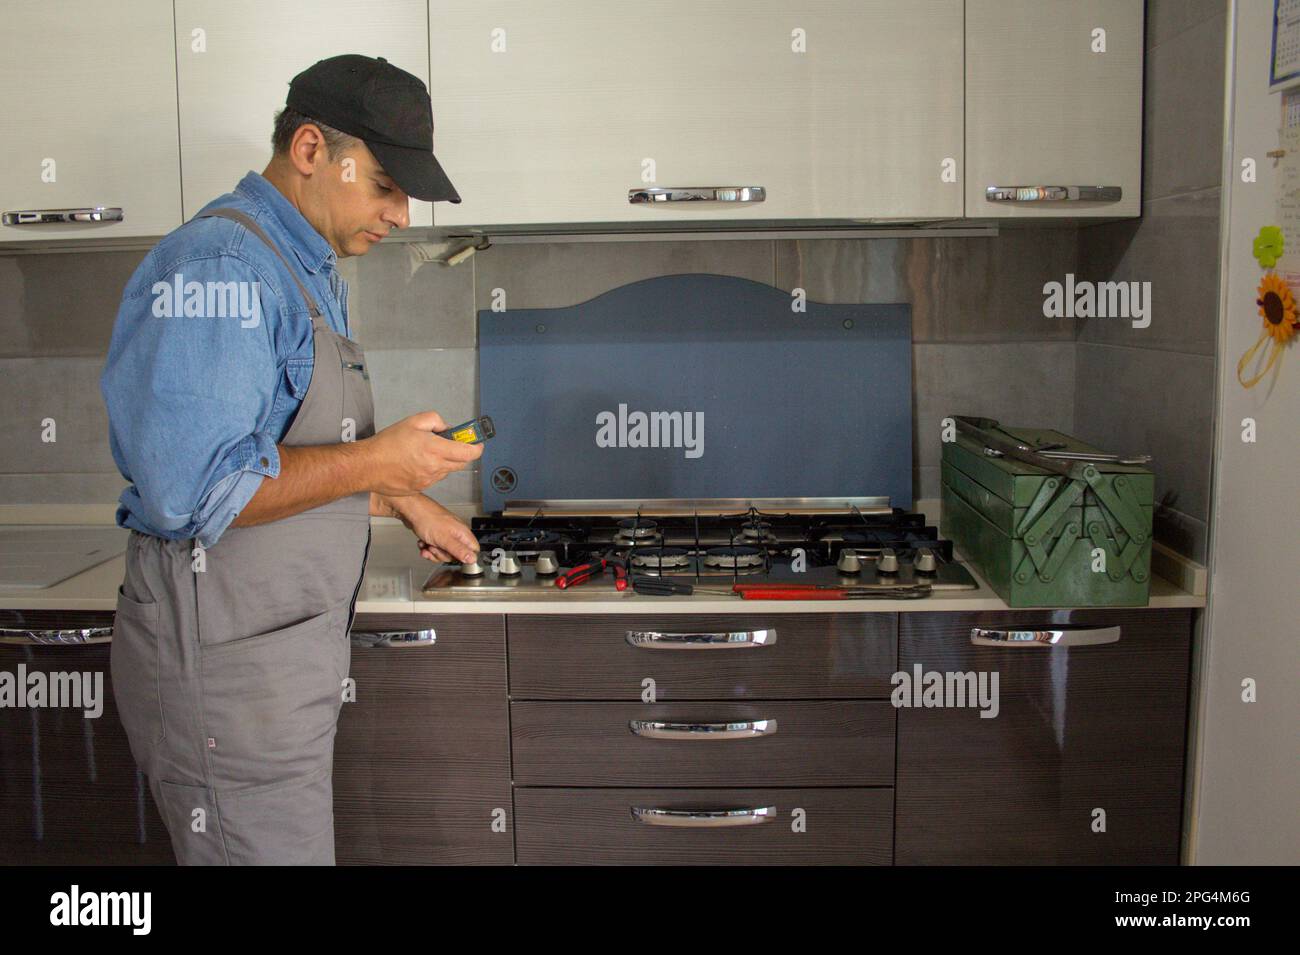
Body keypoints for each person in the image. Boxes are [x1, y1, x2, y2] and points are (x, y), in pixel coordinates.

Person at [99, 54, 481, 864]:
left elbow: (274, 460)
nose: (402, 214)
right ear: (311, 150)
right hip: (225, 686)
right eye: (384, 184)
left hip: (271, 671)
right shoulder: (225, 268)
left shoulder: (302, 261)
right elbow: (198, 490)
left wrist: (401, 493)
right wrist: (378, 462)